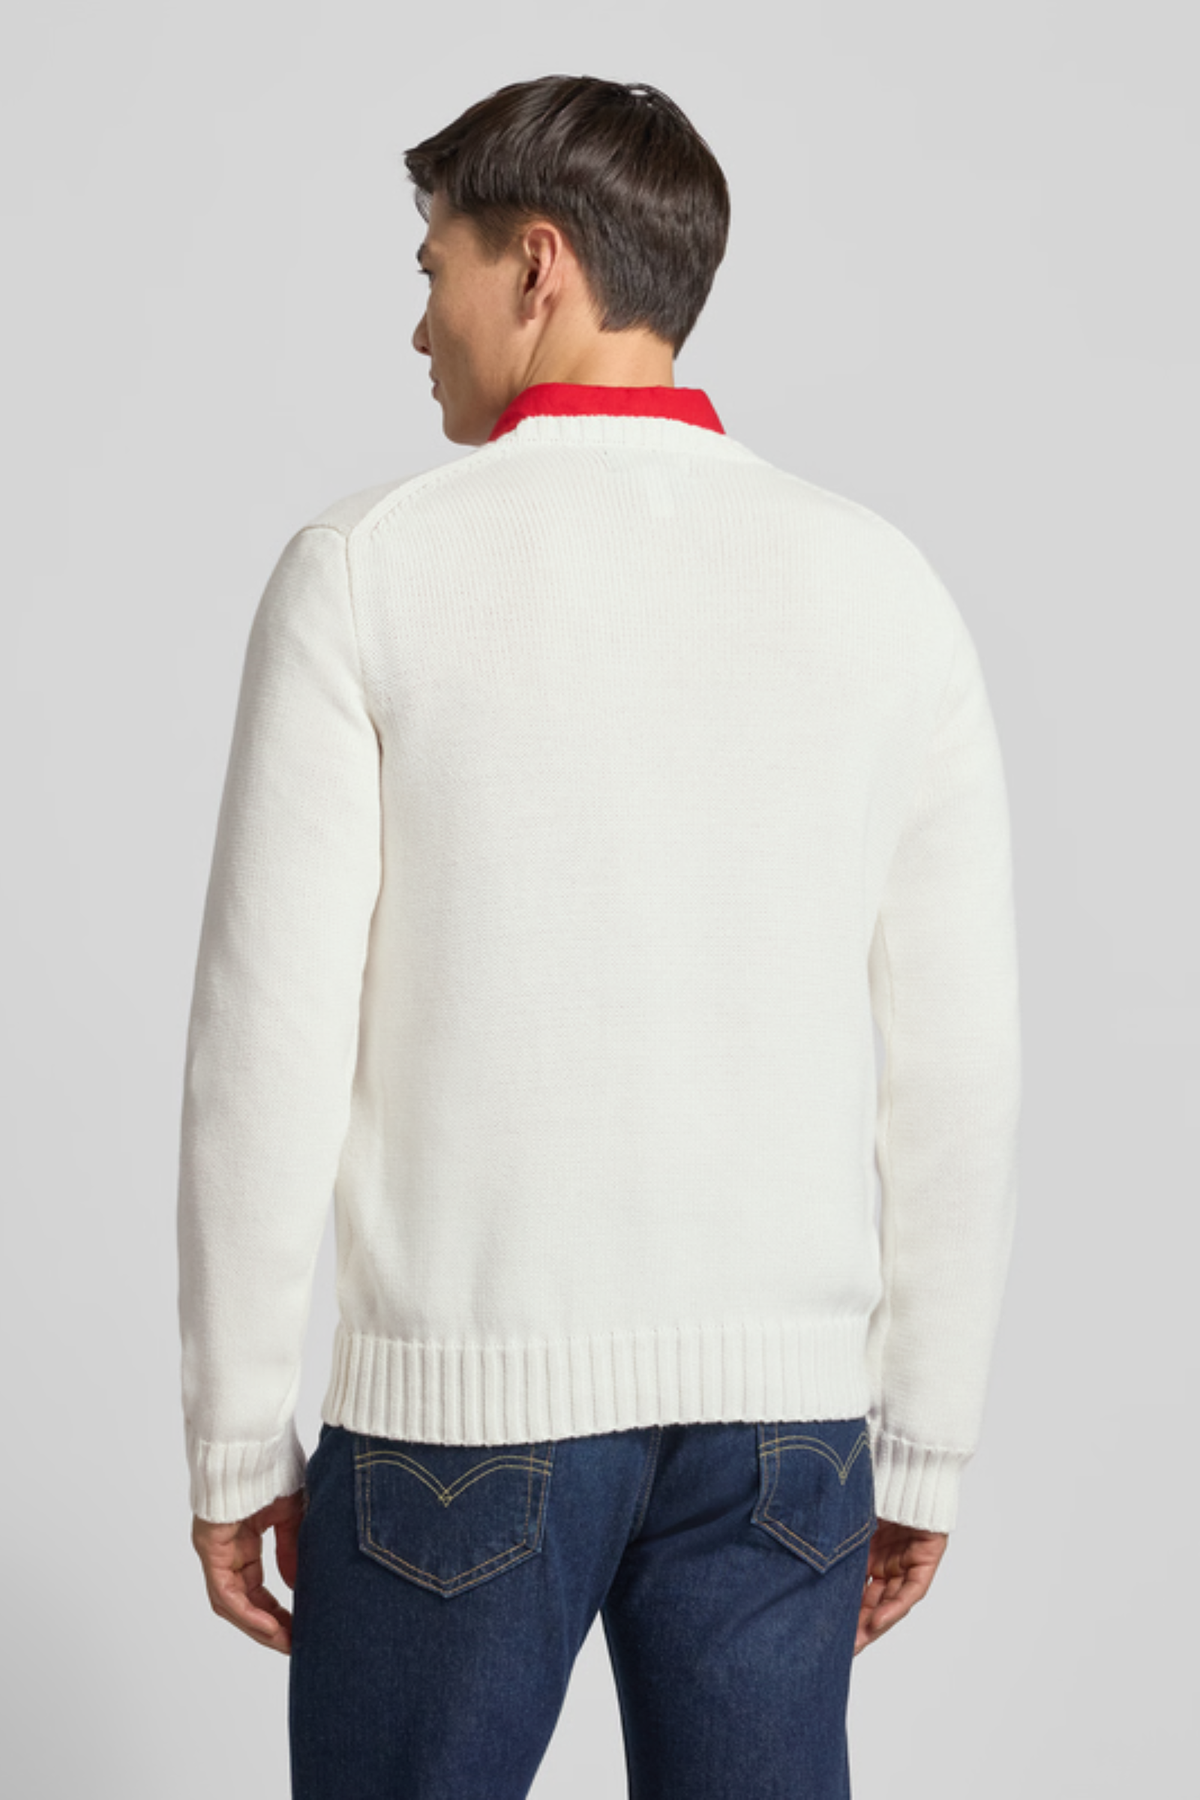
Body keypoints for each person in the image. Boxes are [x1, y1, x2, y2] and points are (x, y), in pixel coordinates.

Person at [178, 73, 1021, 1799]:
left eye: (435, 269)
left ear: (538, 265)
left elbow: (269, 1041)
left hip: (460, 1417)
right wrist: (922, 1436)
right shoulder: (882, 586)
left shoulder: (369, 568)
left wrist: (236, 1433)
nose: (419, 326)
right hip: (787, 1434)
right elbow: (957, 1056)